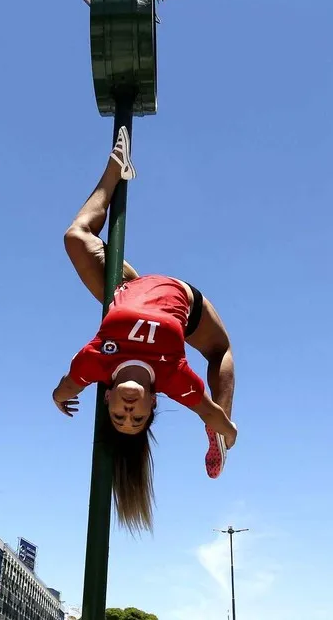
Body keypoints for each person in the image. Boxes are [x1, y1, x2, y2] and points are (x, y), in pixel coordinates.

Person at [53, 126, 238, 532]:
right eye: (137, 419)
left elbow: (65, 386)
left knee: (73, 237)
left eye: (120, 417)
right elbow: (215, 414)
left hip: (127, 288)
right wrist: (222, 428)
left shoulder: (94, 366)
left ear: (107, 402)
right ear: (155, 403)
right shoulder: (175, 380)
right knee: (220, 350)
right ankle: (215, 442)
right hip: (182, 303)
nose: (130, 414)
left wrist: (60, 398)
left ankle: (114, 170)